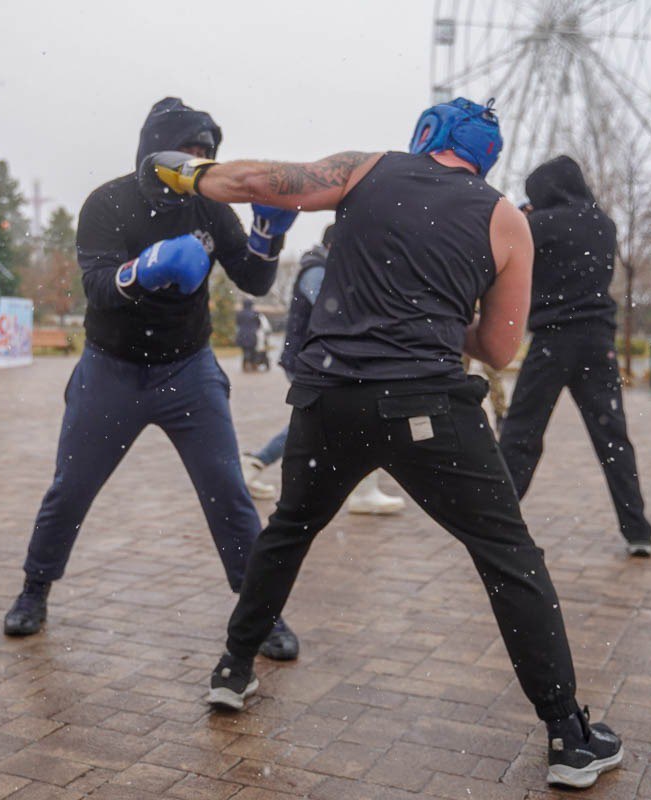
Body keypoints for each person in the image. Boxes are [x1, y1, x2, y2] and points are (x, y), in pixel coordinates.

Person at [143, 97, 623, 789]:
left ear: (425, 136)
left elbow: (259, 182)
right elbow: (498, 346)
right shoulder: (505, 218)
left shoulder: (365, 169)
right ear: (488, 157)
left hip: (329, 397)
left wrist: (187, 174)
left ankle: (232, 668)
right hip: (428, 405)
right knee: (509, 557)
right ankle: (568, 736)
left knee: (289, 531)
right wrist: (434, 318)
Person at [2, 98, 300, 663]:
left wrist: (267, 234)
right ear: (154, 149)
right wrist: (147, 268)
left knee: (229, 493)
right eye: (189, 148)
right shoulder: (109, 203)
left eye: (208, 152)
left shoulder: (211, 208)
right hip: (110, 369)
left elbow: (257, 280)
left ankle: (262, 612)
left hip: (187, 369)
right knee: (71, 489)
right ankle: (33, 590)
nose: (200, 160)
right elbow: (96, 288)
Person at [498, 155, 651, 557]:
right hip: (597, 341)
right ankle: (637, 529)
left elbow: (512, 252)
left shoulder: (540, 224)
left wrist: (524, 217)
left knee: (521, 434)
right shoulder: (605, 224)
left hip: (553, 339)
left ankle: (496, 522)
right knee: (612, 438)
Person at [242, 227, 406, 515]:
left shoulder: (325, 268)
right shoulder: (316, 270)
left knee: (341, 419)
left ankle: (257, 465)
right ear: (335, 247)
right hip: (310, 362)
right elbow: (337, 312)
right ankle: (257, 465)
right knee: (327, 421)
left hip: (322, 361)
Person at [235, 298, 261, 371]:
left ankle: (245, 364)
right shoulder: (255, 313)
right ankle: (253, 364)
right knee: (252, 350)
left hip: (242, 335)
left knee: (245, 350)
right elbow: (258, 324)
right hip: (252, 335)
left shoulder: (240, 313)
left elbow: (238, 323)